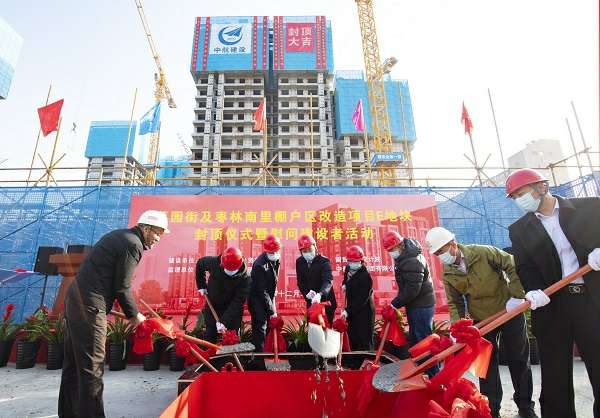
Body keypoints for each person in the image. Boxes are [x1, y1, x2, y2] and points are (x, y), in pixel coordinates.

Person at [506, 168, 600, 418]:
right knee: (554, 375)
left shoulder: (591, 207)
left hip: (591, 301)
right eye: (514, 197)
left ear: (542, 187)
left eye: (522, 193)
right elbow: (525, 266)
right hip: (553, 303)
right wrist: (533, 290)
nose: (519, 200)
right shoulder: (519, 229)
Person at [58, 210, 169, 418]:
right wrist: (135, 316)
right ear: (145, 228)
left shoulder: (119, 236)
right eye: (157, 232)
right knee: (92, 367)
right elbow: (122, 287)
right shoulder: (133, 244)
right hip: (90, 307)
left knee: (73, 365)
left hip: (76, 301)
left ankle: (68, 414)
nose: (158, 238)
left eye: (161, 234)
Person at [425, 226, 537, 418]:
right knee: (486, 366)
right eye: (437, 254)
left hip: (508, 310)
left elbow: (511, 263)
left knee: (519, 359)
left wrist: (517, 295)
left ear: (453, 244)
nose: (441, 256)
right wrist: (457, 327)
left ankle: (526, 406)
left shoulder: (483, 252)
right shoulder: (448, 272)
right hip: (482, 320)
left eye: (442, 251)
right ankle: (491, 409)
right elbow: (455, 302)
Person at [382, 231, 436, 368]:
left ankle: (431, 372)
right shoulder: (405, 256)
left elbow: (412, 289)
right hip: (416, 304)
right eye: (389, 251)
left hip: (421, 305)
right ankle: (421, 369)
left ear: (400, 245)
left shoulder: (412, 260)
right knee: (417, 339)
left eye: (392, 249)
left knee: (423, 340)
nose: (391, 253)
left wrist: (395, 304)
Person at [195, 246, 251, 343]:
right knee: (210, 335)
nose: (228, 271)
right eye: (226, 268)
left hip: (232, 310)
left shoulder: (246, 278)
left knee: (231, 338)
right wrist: (201, 286)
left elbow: (238, 301)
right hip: (213, 305)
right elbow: (200, 264)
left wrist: (224, 321)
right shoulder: (214, 262)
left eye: (232, 270)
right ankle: (210, 353)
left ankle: (230, 352)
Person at [249, 234, 281, 352]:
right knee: (261, 326)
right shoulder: (259, 265)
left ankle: (267, 352)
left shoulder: (276, 259)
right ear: (266, 251)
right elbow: (262, 291)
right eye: (271, 252)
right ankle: (258, 356)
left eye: (276, 251)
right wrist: (272, 311)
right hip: (256, 299)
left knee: (269, 325)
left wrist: (273, 292)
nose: (274, 254)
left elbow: (273, 278)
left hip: (267, 296)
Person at [295, 234, 337, 324]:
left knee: (325, 329)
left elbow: (328, 281)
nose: (308, 253)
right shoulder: (299, 262)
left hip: (326, 301)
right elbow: (301, 282)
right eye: (304, 251)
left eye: (310, 250)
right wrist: (307, 293)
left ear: (315, 247)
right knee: (312, 328)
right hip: (311, 302)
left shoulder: (324, 261)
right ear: (301, 252)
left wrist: (319, 295)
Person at [341, 245, 375, 351]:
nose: (353, 263)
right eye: (350, 261)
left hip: (364, 312)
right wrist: (344, 284)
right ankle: (354, 360)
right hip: (352, 309)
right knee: (353, 336)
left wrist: (347, 311)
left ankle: (367, 359)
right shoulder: (348, 268)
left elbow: (362, 300)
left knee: (364, 339)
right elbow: (346, 279)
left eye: (356, 261)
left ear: (361, 261)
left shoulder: (366, 277)